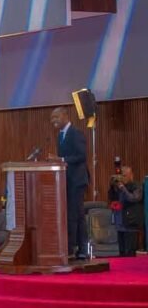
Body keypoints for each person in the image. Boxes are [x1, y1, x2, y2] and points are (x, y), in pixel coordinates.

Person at [50, 107, 89, 259]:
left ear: (65, 116)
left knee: (75, 215)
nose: (53, 120)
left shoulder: (75, 133)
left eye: (56, 117)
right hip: (66, 181)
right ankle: (79, 249)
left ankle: (75, 248)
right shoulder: (60, 135)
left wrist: (61, 160)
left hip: (77, 181)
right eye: (52, 118)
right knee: (76, 215)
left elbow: (81, 155)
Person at [108, 166, 144, 257]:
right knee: (122, 253)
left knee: (130, 253)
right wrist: (112, 186)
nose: (122, 178)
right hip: (120, 224)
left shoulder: (136, 185)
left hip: (130, 224)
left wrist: (123, 188)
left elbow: (134, 198)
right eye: (121, 176)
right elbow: (112, 198)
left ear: (131, 175)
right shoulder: (119, 186)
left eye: (124, 176)